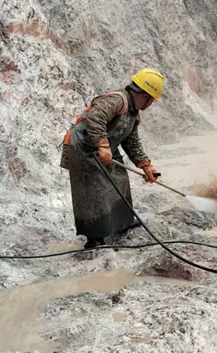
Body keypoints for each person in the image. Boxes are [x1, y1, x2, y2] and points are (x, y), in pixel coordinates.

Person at [62, 69, 164, 248]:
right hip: (83, 148)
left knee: (120, 180)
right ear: (146, 96)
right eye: (152, 100)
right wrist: (102, 144)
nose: (152, 104)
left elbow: (131, 142)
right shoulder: (118, 101)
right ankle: (95, 238)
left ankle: (122, 224)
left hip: (105, 150)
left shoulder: (133, 114)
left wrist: (146, 165)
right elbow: (96, 117)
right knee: (94, 193)